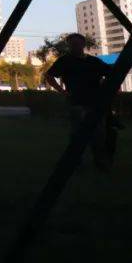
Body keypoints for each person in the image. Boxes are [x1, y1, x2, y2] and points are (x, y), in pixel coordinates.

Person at [43, 33, 111, 170]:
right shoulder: (65, 61)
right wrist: (62, 91)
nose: (75, 47)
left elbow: (111, 73)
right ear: (69, 45)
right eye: (72, 44)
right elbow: (49, 76)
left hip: (95, 103)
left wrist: (105, 90)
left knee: (98, 133)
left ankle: (99, 162)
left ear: (83, 45)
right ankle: (76, 161)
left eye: (78, 44)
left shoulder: (94, 61)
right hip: (76, 102)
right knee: (78, 133)